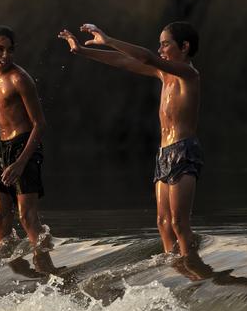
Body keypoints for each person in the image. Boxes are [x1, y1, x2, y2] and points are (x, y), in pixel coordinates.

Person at [58, 22, 203, 256]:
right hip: (164, 153)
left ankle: (194, 272)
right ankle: (176, 271)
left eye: (165, 44)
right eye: (160, 44)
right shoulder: (164, 74)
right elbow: (124, 62)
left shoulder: (189, 74)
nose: (160, 50)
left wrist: (108, 40)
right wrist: (83, 51)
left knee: (178, 223)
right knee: (163, 223)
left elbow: (146, 57)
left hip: (183, 151)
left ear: (184, 46)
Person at [0, 25, 55, 272]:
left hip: (25, 145)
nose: (5, 55)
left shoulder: (20, 79)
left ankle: (47, 268)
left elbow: (40, 125)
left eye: (10, 50)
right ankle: (17, 273)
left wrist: (20, 163)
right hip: (4, 148)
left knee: (27, 216)